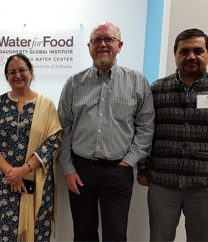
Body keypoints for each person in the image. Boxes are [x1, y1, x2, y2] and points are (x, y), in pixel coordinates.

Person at [58, 22, 155, 241]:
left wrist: (128, 161)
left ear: (119, 45)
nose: (102, 44)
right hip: (80, 170)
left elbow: (146, 126)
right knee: (83, 233)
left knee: (116, 235)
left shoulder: (137, 81)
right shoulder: (74, 83)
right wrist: (68, 167)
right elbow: (63, 127)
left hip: (118, 170)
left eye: (108, 39)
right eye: (96, 40)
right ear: (89, 46)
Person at [137, 28, 208, 241]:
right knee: (160, 237)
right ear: (175, 54)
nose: (191, 56)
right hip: (162, 181)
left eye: (198, 51)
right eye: (184, 51)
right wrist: (142, 167)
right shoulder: (157, 89)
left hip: (204, 183)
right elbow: (143, 130)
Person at [0, 53, 62, 241]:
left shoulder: (46, 104)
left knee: (36, 230)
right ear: (7, 77)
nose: (17, 75)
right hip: (5, 181)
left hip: (36, 179)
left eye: (22, 70)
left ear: (31, 72)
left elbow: (52, 141)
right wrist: (12, 173)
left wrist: (24, 170)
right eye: (12, 72)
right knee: (5, 232)